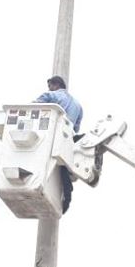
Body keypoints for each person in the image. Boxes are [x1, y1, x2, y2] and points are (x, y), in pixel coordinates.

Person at [34, 76, 83, 214]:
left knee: (45, 167)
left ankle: (65, 197)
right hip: (66, 140)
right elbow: (76, 128)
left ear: (56, 85)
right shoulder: (78, 106)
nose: (49, 89)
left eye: (50, 86)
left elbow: (34, 108)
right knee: (62, 167)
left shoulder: (52, 95)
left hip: (51, 137)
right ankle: (66, 197)